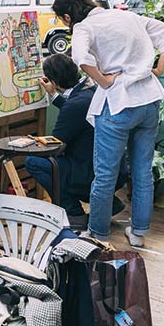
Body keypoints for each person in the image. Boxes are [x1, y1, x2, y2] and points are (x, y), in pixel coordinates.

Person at [53, 0, 164, 247]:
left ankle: (98, 234)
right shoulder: (127, 16)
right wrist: (158, 69)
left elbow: (79, 57)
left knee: (105, 174)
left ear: (68, 16)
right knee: (143, 171)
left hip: (118, 104)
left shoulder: (84, 28)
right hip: (148, 100)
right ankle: (138, 233)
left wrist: (104, 81)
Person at [25, 53, 125, 228]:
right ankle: (107, 203)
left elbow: (56, 145)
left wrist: (34, 143)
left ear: (54, 81)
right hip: (115, 170)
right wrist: (54, 95)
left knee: (34, 162)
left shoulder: (75, 105)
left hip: (90, 172)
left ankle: (73, 212)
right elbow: (77, 112)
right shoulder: (92, 91)